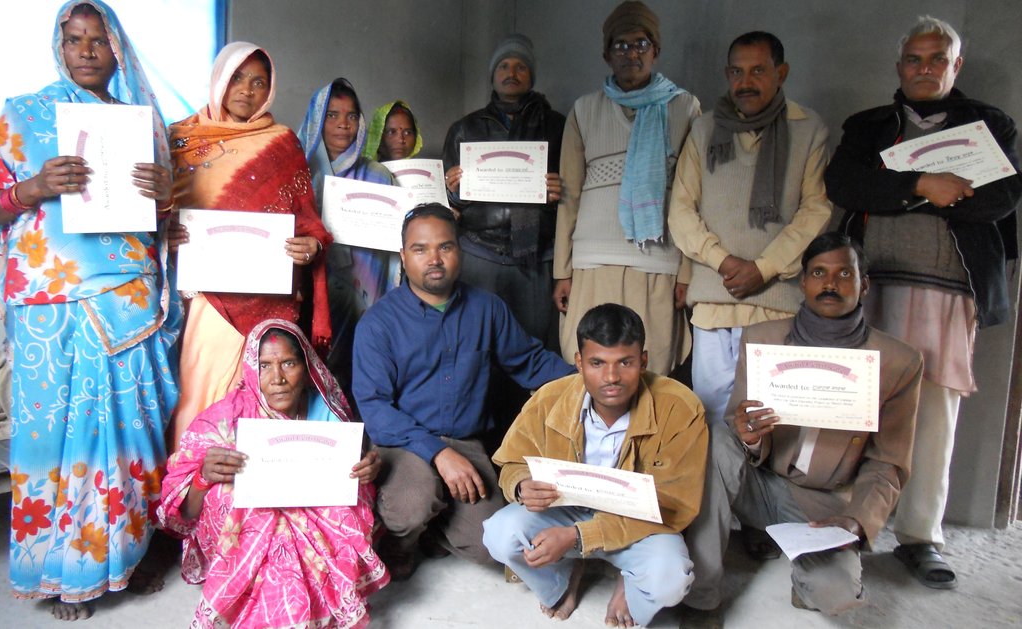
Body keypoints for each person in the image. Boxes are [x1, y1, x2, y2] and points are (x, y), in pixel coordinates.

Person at [824, 15, 1021, 589]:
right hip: (870, 288)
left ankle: (919, 536)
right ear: (899, 65)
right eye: (915, 59)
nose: (925, 68)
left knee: (933, 418)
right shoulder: (869, 126)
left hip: (948, 292)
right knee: (854, 415)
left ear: (956, 67)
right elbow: (844, 184)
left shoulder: (990, 123)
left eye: (938, 59)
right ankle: (848, 527)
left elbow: (1002, 197)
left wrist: (933, 190)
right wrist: (920, 185)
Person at [0, 0, 179, 619]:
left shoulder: (144, 124)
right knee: (49, 439)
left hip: (125, 299)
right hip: (50, 308)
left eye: (97, 40)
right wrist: (33, 188)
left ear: (116, 48)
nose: (86, 51)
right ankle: (56, 573)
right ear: (59, 45)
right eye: (73, 39)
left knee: (130, 435)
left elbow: (165, 225)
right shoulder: (20, 117)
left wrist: (162, 200)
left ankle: (122, 558)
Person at [681, 233, 923, 623]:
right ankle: (702, 596)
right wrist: (748, 433)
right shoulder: (763, 339)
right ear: (803, 283)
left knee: (835, 594)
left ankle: (795, 555)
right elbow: (733, 426)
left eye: (845, 273)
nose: (830, 283)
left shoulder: (898, 361)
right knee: (717, 440)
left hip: (823, 504)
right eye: (818, 273)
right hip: (759, 483)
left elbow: (889, 462)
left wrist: (855, 521)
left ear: (864, 285)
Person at [352, 203, 575, 580]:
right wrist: (438, 453)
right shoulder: (378, 323)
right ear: (403, 257)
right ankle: (400, 542)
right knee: (412, 502)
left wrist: (589, 381)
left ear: (460, 251)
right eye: (420, 249)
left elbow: (531, 363)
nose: (434, 259)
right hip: (403, 445)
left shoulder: (487, 308)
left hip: (465, 442)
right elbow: (376, 409)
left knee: (497, 550)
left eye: (445, 247)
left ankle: (436, 529)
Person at [484, 303, 707, 627]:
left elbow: (676, 505)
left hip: (641, 523)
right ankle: (564, 576)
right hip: (565, 509)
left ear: (643, 361)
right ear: (579, 362)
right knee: (500, 534)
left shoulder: (680, 408)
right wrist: (521, 484)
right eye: (598, 363)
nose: (612, 377)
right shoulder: (550, 397)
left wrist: (577, 537)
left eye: (625, 363)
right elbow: (513, 461)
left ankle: (628, 581)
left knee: (669, 581)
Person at [159, 319, 388, 628]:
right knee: (229, 495)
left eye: (288, 363)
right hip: (251, 528)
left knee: (348, 500)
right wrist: (202, 477)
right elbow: (182, 512)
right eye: (264, 366)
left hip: (311, 512)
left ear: (306, 367)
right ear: (252, 370)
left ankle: (315, 604)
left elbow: (354, 484)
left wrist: (364, 470)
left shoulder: (328, 411)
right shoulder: (225, 419)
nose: (277, 378)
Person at [167, 42, 332, 450]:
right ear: (219, 80)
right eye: (238, 78)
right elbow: (157, 211)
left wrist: (310, 245)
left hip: (269, 298)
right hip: (207, 301)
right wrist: (165, 233)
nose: (247, 90)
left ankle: (257, 505)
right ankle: (197, 497)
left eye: (259, 82)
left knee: (267, 399)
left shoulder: (282, 144)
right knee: (200, 393)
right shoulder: (180, 140)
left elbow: (309, 220)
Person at [668, 31, 831, 427]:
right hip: (713, 300)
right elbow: (681, 211)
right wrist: (723, 261)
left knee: (766, 420)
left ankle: (756, 493)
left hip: (774, 300)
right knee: (710, 418)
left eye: (758, 70)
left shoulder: (808, 129)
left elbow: (816, 211)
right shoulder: (705, 130)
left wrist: (764, 267)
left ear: (782, 73)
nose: (746, 81)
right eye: (737, 72)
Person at [553, 0, 700, 376]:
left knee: (651, 367)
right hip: (591, 263)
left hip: (657, 263)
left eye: (640, 44)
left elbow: (691, 198)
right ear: (606, 54)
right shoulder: (584, 110)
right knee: (591, 367)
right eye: (620, 45)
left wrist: (686, 274)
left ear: (656, 51)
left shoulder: (684, 107)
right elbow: (568, 198)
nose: (631, 53)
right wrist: (562, 272)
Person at [443, 33, 565, 350]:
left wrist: (560, 190)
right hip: (479, 252)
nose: (511, 74)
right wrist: (453, 189)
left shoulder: (557, 126)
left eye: (521, 66)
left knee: (531, 344)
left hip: (536, 255)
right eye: (504, 66)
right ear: (493, 75)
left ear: (531, 75)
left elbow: (575, 193)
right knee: (475, 342)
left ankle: (527, 403)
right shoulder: (464, 128)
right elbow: (448, 204)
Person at [297, 78, 399, 386]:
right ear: (317, 120)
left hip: (365, 293)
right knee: (313, 368)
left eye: (352, 116)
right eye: (333, 115)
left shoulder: (379, 176)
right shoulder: (299, 172)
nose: (344, 124)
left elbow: (394, 246)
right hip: (313, 286)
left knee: (364, 367)